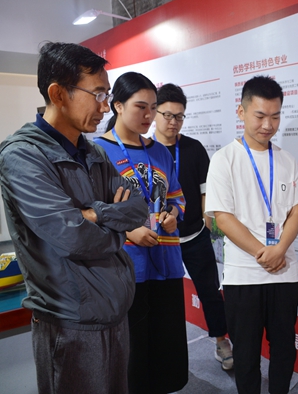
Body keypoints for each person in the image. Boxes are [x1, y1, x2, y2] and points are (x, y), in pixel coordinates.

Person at [0, 42, 148, 393]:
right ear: (58, 94)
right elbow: (73, 236)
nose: (105, 106)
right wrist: (116, 229)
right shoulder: (22, 156)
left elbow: (137, 208)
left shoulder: (93, 152)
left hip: (114, 314)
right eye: (97, 94)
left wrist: (95, 213)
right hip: (70, 323)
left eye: (106, 94)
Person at [205, 75, 298, 394]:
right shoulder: (224, 159)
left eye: (275, 116)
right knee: (246, 354)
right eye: (260, 115)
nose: (268, 125)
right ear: (242, 112)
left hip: (284, 272)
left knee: (284, 349)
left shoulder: (287, 160)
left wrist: (280, 250)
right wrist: (263, 253)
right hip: (244, 274)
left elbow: (295, 212)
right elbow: (223, 217)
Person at [94, 72, 188, 394]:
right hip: (126, 265)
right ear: (118, 105)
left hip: (166, 260)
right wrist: (128, 231)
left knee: (165, 343)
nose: (149, 115)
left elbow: (177, 197)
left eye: (152, 107)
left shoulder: (159, 151)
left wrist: (173, 215)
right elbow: (90, 211)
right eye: (140, 107)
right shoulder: (97, 152)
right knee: (131, 349)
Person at [153, 83, 233, 370]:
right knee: (164, 298)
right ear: (155, 113)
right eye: (167, 115)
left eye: (179, 116)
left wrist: (207, 221)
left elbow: (205, 189)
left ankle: (221, 340)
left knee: (210, 292)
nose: (173, 122)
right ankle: (163, 349)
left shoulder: (193, 148)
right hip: (160, 240)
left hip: (195, 235)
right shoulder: (145, 150)